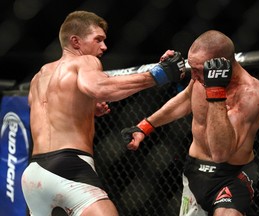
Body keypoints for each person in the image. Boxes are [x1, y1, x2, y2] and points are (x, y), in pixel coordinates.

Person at [21, 10, 186, 216]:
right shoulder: (84, 61)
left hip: (33, 173)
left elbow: (49, 111)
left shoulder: (40, 75)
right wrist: (157, 75)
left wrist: (87, 107)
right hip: (68, 166)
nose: (104, 47)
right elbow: (101, 88)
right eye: (98, 40)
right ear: (76, 41)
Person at [121, 30, 259, 216]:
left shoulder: (249, 94)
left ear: (220, 65)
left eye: (198, 69)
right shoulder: (201, 79)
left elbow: (220, 153)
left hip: (232, 175)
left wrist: (216, 93)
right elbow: (185, 100)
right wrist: (144, 127)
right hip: (195, 171)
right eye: (192, 67)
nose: (193, 75)